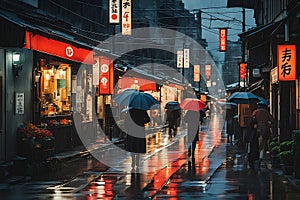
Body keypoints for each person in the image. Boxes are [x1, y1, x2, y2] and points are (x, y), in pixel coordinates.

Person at [251, 101, 274, 168]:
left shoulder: (256, 112)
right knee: (264, 143)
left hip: (257, 130)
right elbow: (272, 120)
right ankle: (261, 157)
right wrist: (268, 123)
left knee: (256, 143)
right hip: (265, 129)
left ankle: (257, 156)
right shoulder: (266, 112)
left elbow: (252, 120)